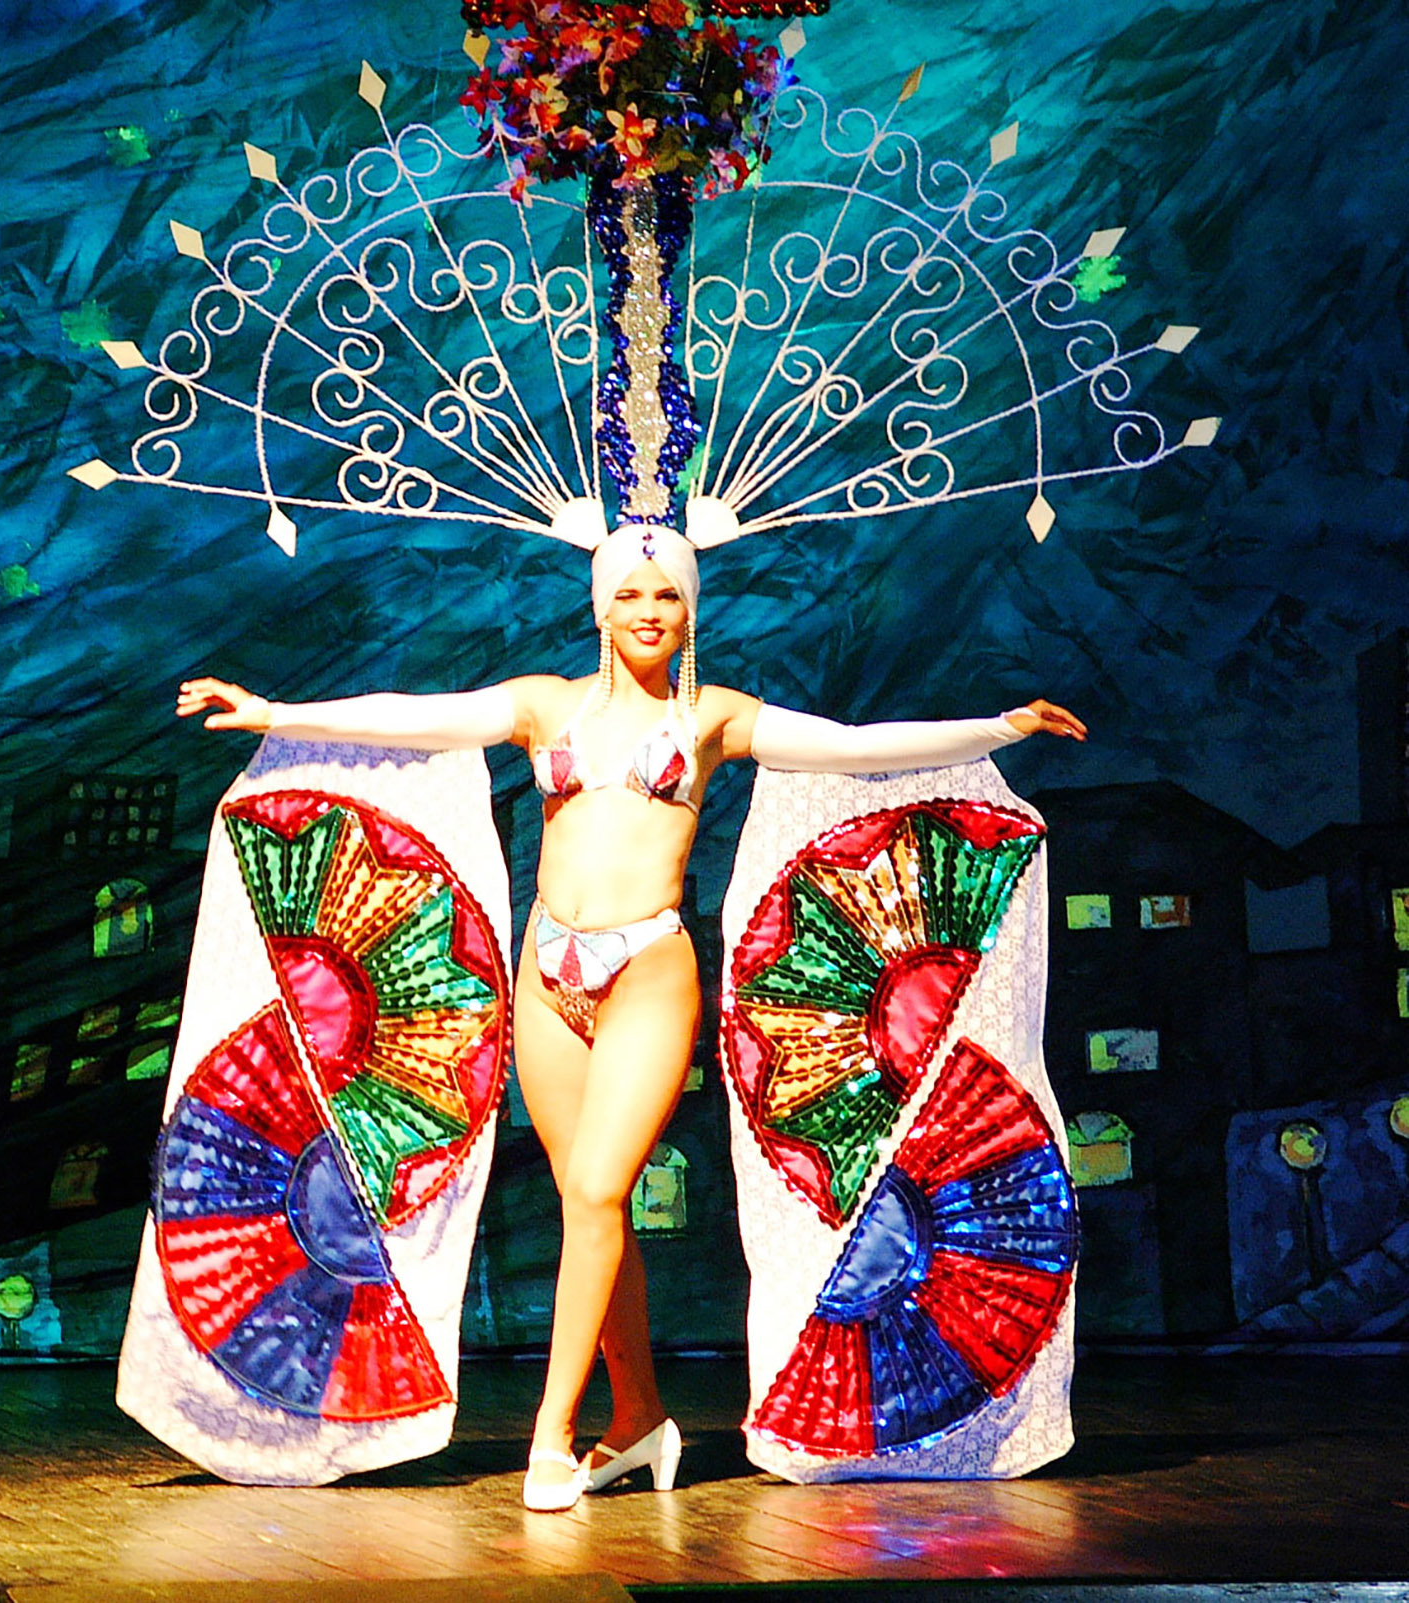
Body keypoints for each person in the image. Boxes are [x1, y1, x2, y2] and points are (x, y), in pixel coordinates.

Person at [175, 521, 1084, 1512]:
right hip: (547, 973)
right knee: (586, 1206)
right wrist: (271, 707)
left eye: (667, 598)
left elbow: (856, 748)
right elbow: (416, 717)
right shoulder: (542, 706)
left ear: (688, 612)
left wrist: (999, 726)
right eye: (631, 595)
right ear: (599, 605)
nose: (648, 612)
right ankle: (640, 1419)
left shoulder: (713, 718)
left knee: (601, 1194)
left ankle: (552, 1433)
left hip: (647, 968)